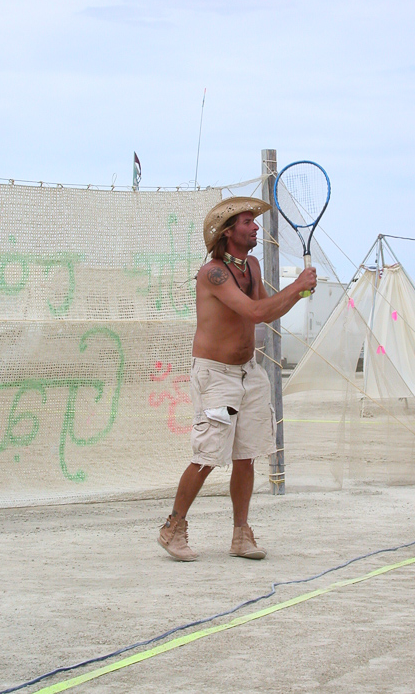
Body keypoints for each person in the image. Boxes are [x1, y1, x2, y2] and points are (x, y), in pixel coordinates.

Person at [158, 196, 317, 561]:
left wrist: (301, 291)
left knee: (246, 456)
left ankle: (240, 536)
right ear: (228, 231)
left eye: (254, 221)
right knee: (207, 456)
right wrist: (297, 287)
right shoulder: (212, 272)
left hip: (249, 372)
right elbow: (254, 310)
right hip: (215, 375)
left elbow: (266, 313)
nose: (256, 227)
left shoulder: (253, 266)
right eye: (248, 222)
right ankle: (173, 529)